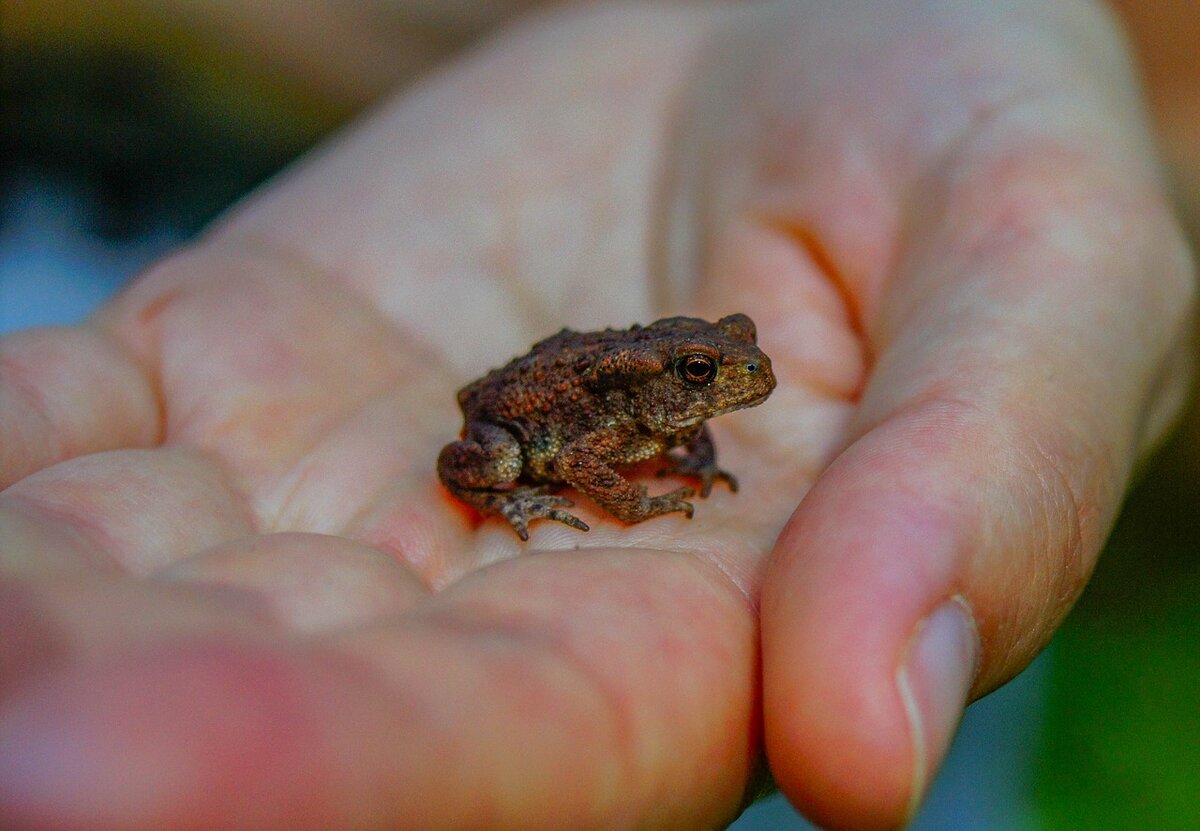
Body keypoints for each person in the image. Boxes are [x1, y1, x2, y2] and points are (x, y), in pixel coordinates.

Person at [0, 1, 1193, 828]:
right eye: (704, 376)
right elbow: (591, 471)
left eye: (721, 370)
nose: (721, 389)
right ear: (659, 380)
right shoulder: (612, 420)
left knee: (844, 668)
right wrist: (559, 488)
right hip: (127, 245)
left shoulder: (674, 402)